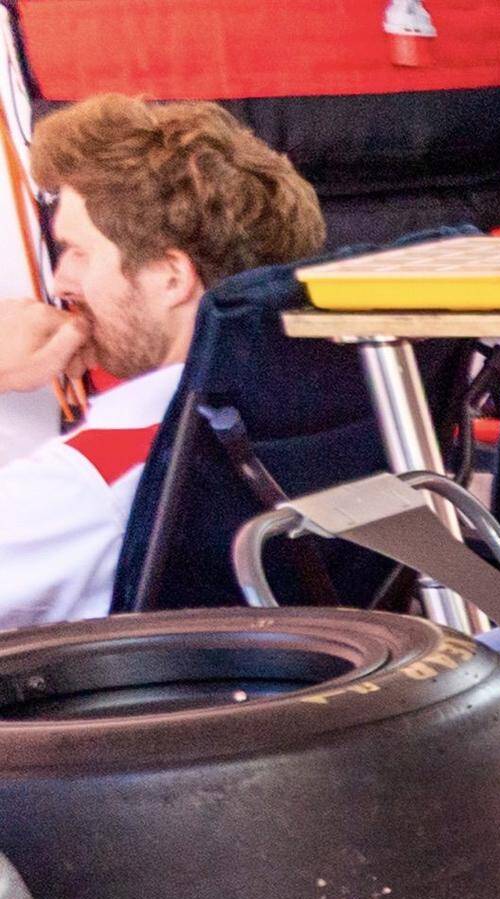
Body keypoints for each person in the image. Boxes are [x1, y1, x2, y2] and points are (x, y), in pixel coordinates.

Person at [0, 99, 321, 632]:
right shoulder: (324, 413)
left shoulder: (94, 479)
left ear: (171, 276)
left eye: (78, 252)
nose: (59, 283)